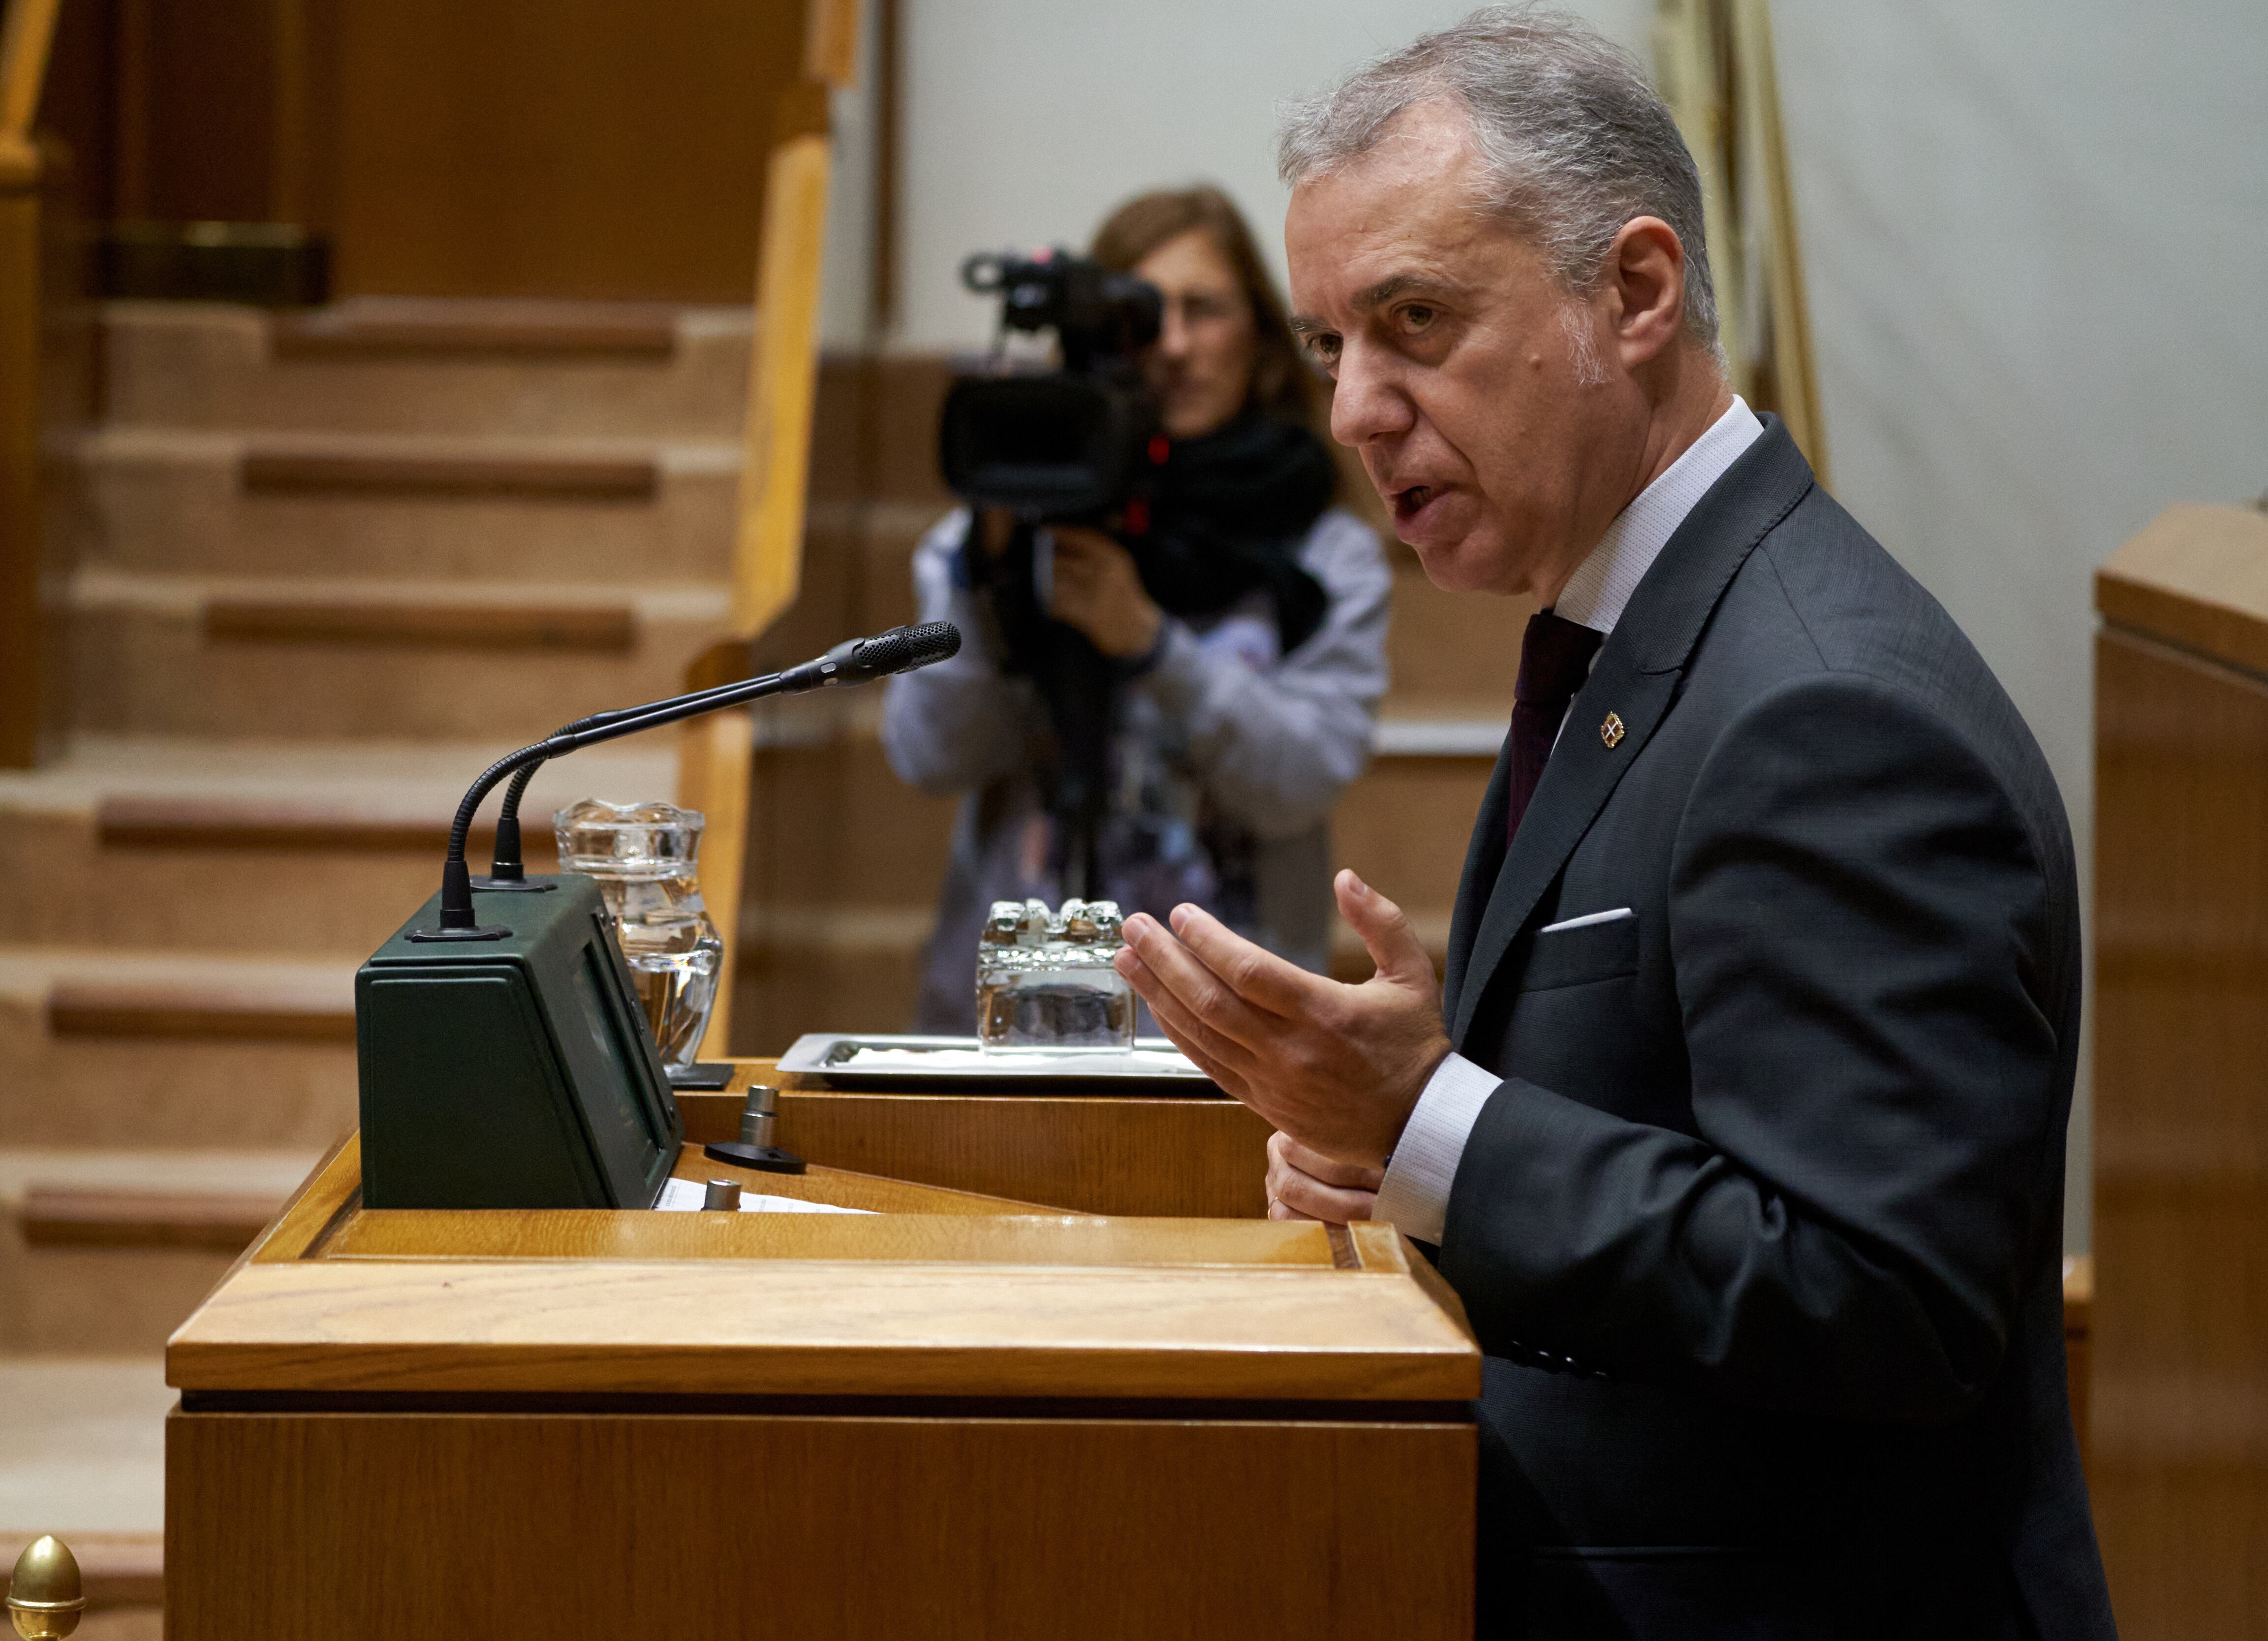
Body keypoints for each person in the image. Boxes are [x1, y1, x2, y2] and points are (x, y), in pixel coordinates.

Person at [1112, 12, 2116, 1641]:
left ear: (1634, 293)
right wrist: (1409, 1158)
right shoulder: (1636, 629)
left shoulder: (1822, 706)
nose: (1360, 409)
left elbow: (1881, 1296)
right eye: (1329, 349)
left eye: (1416, 321)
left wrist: (1432, 1129)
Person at [884, 186, 1390, 1033]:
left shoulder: (1320, 551)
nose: (1177, 346)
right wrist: (991, 579)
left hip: (1231, 1030)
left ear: (1262, 341)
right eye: (1148, 315)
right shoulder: (998, 533)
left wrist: (1151, 645)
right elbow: (932, 756)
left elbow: (1301, 780)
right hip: (1007, 1023)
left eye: (1206, 310)